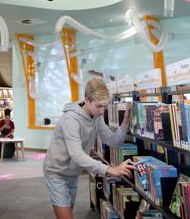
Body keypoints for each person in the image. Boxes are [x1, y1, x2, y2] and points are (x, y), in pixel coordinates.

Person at [43, 78, 134, 219]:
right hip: (57, 173)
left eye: (105, 106)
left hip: (72, 173)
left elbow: (113, 141)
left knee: (68, 211)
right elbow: (77, 155)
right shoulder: (71, 120)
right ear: (86, 100)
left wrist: (124, 125)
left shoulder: (96, 116)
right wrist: (109, 169)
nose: (102, 111)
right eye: (99, 106)